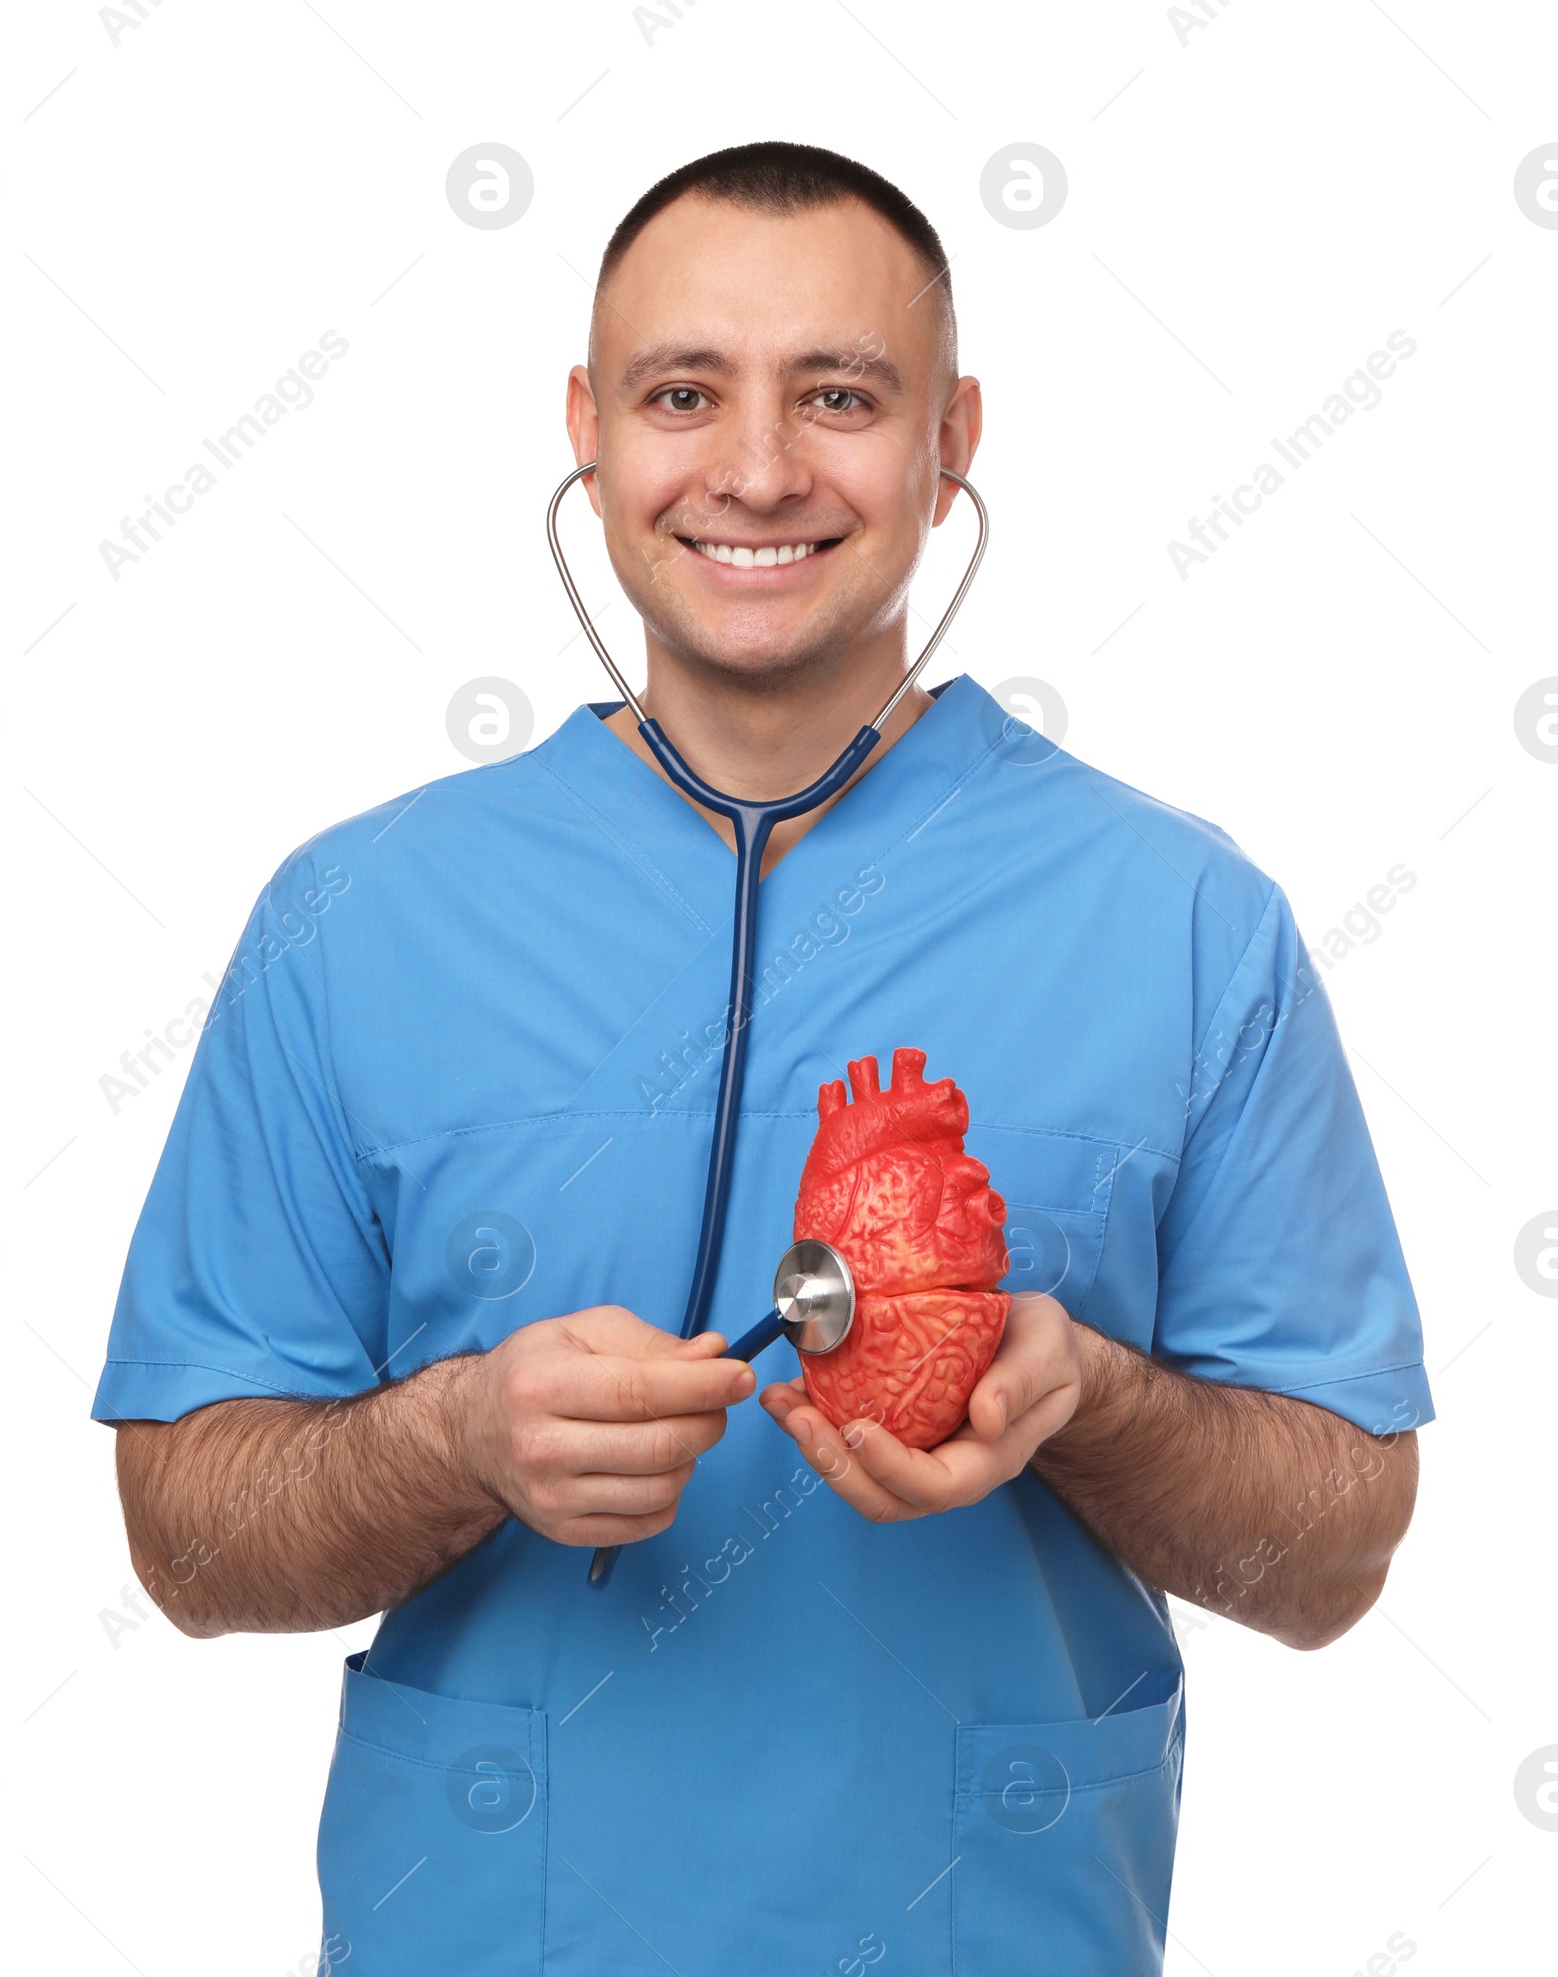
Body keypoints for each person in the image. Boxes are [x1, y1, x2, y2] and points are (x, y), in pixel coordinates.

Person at [95, 141, 1432, 1974]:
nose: (755, 468)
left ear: (953, 438)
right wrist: (458, 1435)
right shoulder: (355, 917)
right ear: (588, 427)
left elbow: (1340, 1555)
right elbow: (185, 1540)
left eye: (840, 395)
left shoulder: (1191, 921)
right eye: (681, 393)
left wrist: (1090, 1403)